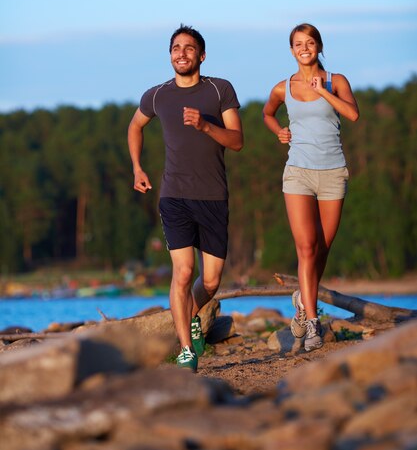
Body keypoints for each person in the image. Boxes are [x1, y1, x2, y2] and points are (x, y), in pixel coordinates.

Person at [128, 24, 243, 371]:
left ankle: (191, 318)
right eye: (176, 48)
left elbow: (237, 141)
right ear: (170, 55)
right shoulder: (157, 95)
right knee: (183, 272)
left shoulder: (220, 90)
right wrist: (137, 168)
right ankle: (185, 351)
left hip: (212, 197)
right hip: (174, 196)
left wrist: (206, 126)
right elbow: (135, 126)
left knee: (210, 281)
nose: (181, 53)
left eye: (189, 48)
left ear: (201, 55)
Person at [263, 23, 359, 352]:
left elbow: (353, 114)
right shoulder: (283, 87)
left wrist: (323, 92)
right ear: (292, 50)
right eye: (298, 44)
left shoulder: (337, 81)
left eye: (310, 42)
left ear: (318, 46)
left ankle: (302, 299)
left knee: (322, 248)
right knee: (306, 247)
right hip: (298, 172)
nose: (304, 48)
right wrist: (279, 130)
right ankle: (312, 319)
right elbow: (266, 113)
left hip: (333, 172)